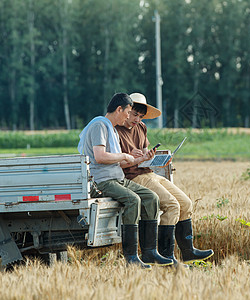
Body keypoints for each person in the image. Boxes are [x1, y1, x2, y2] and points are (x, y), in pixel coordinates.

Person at [115, 92, 214, 265]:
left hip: (149, 173)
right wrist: (129, 156)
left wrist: (149, 155)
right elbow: (114, 160)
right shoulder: (115, 130)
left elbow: (144, 150)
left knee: (186, 204)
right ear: (126, 110)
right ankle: (166, 255)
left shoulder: (142, 127)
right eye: (134, 114)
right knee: (171, 205)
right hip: (133, 177)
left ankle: (188, 251)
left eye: (141, 116)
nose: (137, 119)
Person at [77, 93, 173, 268]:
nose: (129, 117)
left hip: (117, 178)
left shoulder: (111, 128)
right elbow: (100, 157)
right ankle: (131, 257)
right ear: (119, 109)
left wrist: (139, 160)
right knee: (133, 200)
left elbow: (120, 161)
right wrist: (124, 155)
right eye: (128, 112)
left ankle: (150, 252)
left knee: (152, 198)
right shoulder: (99, 125)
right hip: (103, 180)